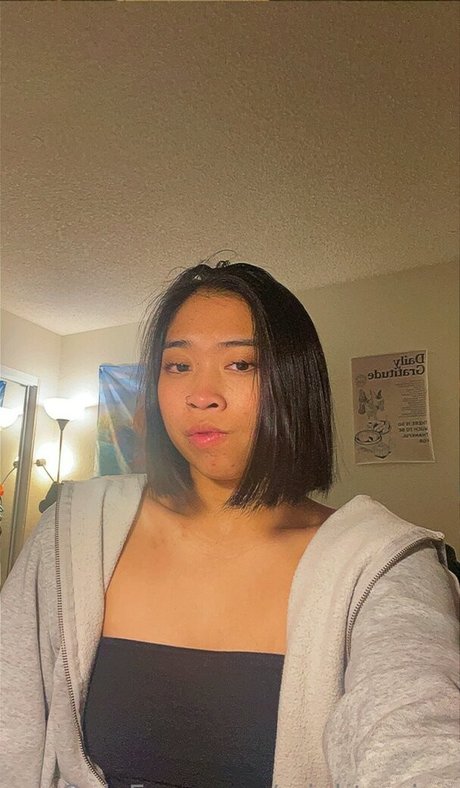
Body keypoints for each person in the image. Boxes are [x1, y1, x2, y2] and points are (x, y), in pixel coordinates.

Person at [1, 261, 459, 788]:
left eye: (240, 364)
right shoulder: (73, 531)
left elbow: (415, 739)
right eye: (178, 365)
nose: (202, 395)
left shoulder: (382, 566)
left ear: (295, 383)